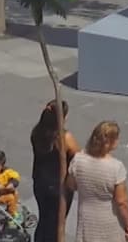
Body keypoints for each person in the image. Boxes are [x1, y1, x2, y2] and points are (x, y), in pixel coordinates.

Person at [67, 120, 128, 242]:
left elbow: (71, 185)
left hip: (86, 219)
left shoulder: (78, 160)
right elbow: (121, 202)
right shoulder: (116, 167)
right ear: (109, 142)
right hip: (109, 221)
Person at [31, 100, 81, 242]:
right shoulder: (64, 137)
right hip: (58, 188)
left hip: (40, 183)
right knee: (55, 226)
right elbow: (79, 158)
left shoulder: (37, 132)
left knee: (44, 220)